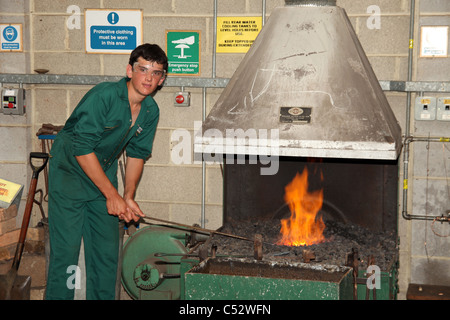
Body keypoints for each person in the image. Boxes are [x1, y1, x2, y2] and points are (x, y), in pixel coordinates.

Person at [45, 44, 168, 300]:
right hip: (70, 173)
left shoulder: (150, 111)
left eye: (156, 73)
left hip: (103, 172)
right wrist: (112, 195)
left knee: (107, 255)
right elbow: (82, 148)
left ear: (162, 79)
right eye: (143, 69)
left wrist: (128, 194)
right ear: (129, 70)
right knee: (66, 255)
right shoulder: (105, 96)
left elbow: (136, 154)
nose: (148, 77)